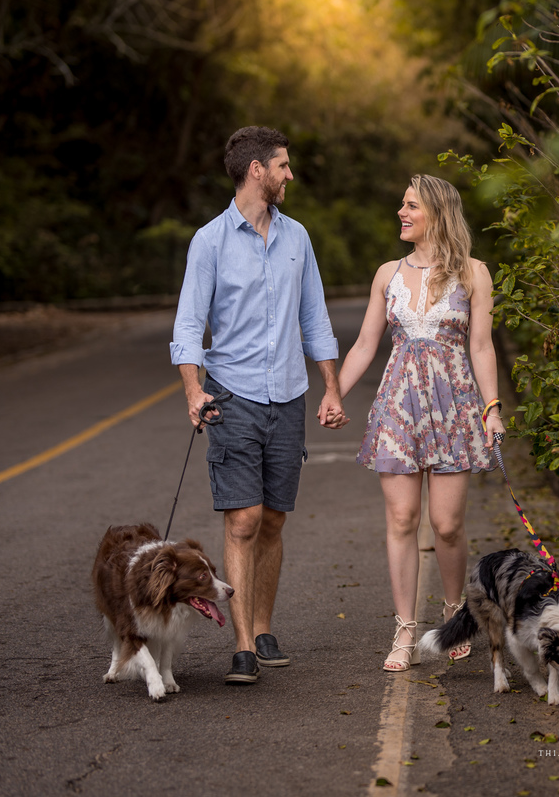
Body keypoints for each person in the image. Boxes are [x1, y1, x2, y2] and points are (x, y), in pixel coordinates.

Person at [170, 126, 347, 685]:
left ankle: (263, 627)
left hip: (288, 395)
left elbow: (314, 319)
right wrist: (194, 390)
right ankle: (243, 644)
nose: (289, 174)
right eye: (283, 166)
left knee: (273, 519)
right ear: (256, 171)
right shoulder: (210, 241)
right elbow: (188, 324)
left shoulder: (298, 239)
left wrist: (331, 388)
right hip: (233, 394)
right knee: (243, 518)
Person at [334, 173, 504, 672]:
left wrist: (492, 408)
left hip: (454, 410)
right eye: (401, 205)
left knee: (447, 526)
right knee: (403, 520)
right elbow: (366, 343)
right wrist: (332, 393)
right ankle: (405, 629)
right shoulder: (387, 274)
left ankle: (454, 616)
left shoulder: (474, 273)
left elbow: (480, 346)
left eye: (411, 206)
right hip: (398, 408)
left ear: (437, 213)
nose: (401, 214)